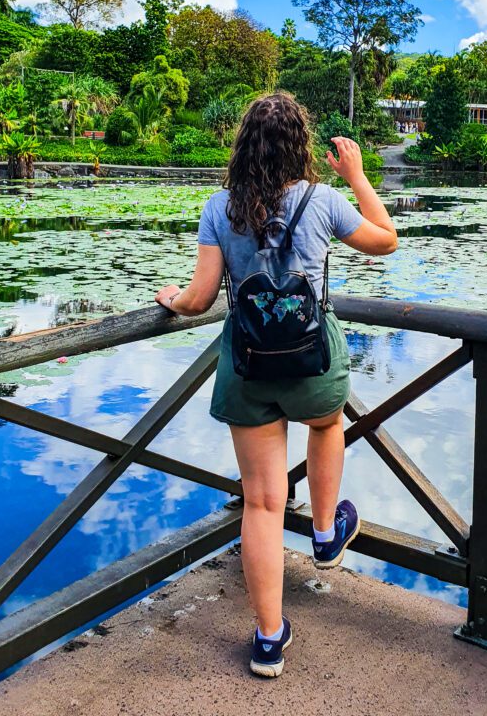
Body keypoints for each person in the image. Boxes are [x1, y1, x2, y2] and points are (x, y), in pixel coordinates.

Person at [155, 92, 398, 678]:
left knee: (262, 503)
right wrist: (358, 176)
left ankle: (268, 641)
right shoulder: (323, 201)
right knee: (325, 425)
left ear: (243, 147)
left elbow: (200, 298)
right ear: (300, 145)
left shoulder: (219, 206)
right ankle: (323, 533)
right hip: (313, 361)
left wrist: (171, 300)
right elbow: (386, 240)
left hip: (248, 367)